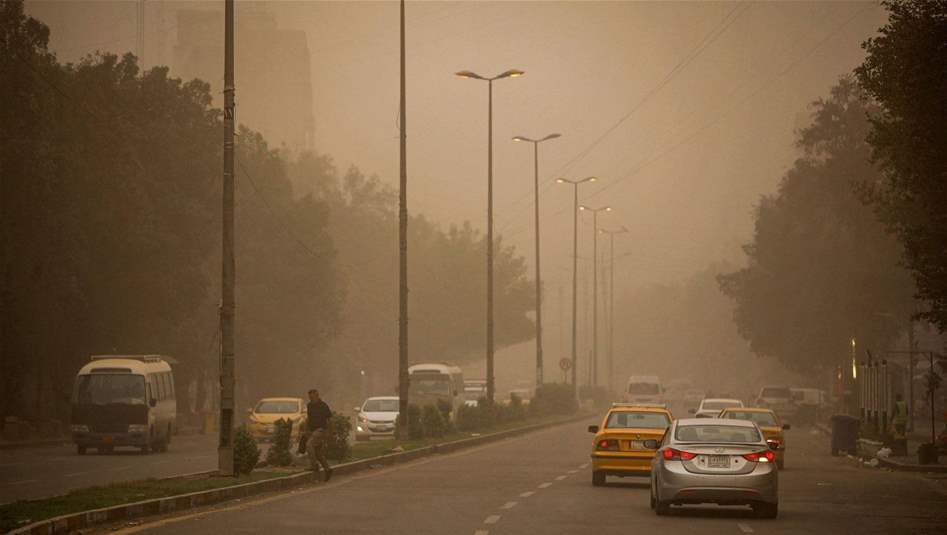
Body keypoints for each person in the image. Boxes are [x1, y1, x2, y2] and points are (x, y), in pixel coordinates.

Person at [304, 388, 333, 481]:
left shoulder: (323, 405)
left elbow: (329, 419)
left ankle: (314, 466)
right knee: (318, 453)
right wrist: (306, 429)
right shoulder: (309, 405)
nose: (311, 399)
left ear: (317, 395)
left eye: (313, 397)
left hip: (321, 430)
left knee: (309, 445)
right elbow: (309, 418)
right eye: (310, 397)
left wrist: (330, 431)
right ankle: (328, 469)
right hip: (312, 431)